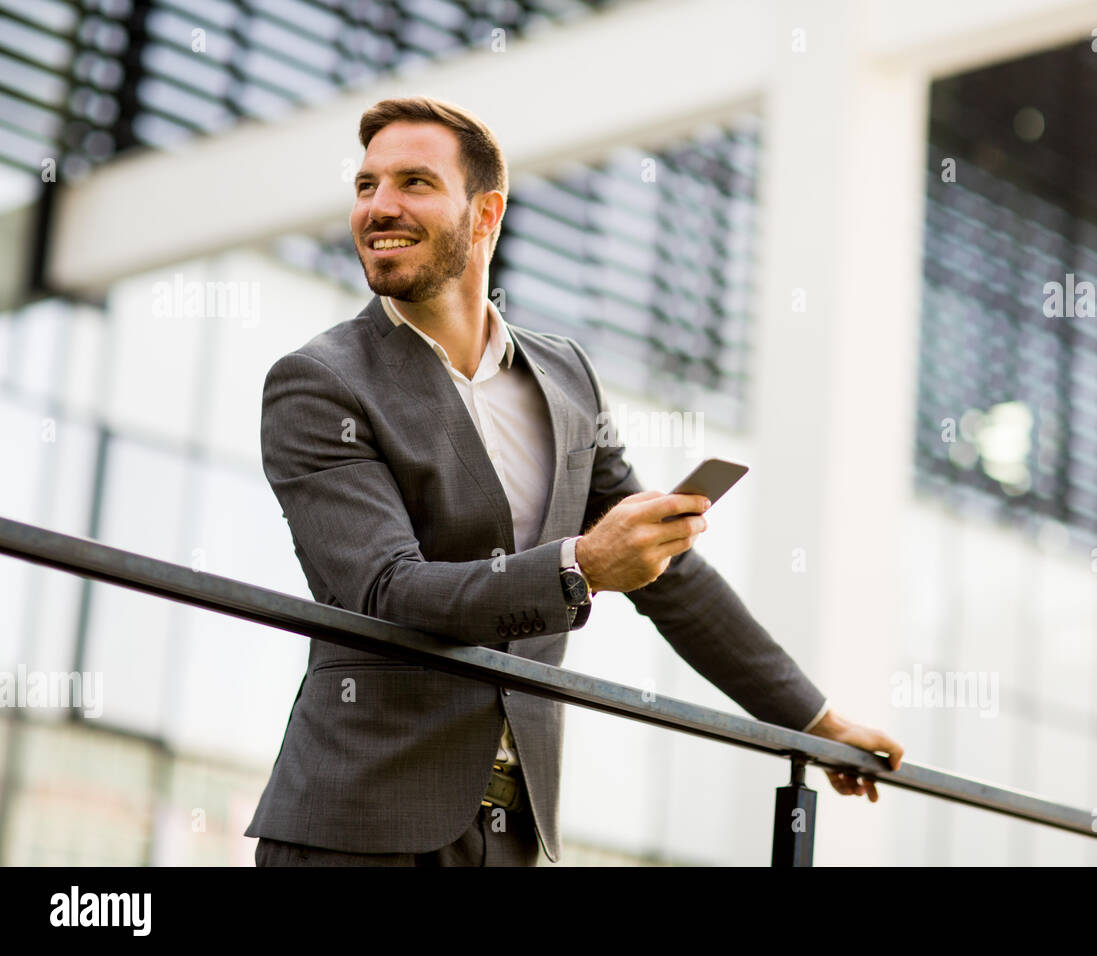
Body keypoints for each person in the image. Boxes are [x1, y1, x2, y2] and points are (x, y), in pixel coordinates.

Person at [246, 96, 902, 866]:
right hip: (358, 830)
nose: (379, 207)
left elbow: (669, 576)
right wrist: (582, 567)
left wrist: (816, 722)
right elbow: (388, 592)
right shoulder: (319, 383)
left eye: (413, 183)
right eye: (366, 186)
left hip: (514, 834)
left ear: (485, 213)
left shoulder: (565, 379)